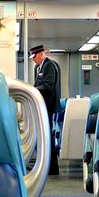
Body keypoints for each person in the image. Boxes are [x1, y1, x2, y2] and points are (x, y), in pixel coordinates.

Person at [29, 45, 61, 175]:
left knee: (48, 135)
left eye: (34, 56)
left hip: (48, 106)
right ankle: (46, 165)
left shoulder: (49, 66)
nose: (33, 59)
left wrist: (32, 89)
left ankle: (52, 167)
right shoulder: (41, 67)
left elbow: (47, 86)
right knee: (45, 135)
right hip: (44, 106)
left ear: (41, 54)